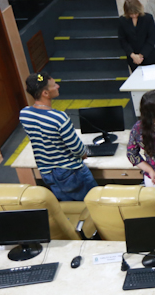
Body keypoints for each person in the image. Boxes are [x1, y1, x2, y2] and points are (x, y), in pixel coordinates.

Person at [18, 72, 97, 201]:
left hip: (47, 173)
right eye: (54, 85)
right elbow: (77, 149)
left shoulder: (24, 114)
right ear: (45, 93)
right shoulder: (59, 118)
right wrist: (84, 153)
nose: (58, 86)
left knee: (67, 207)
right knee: (93, 202)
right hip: (71, 173)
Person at [117, 0, 155, 74]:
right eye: (131, 14)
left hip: (149, 56)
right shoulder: (122, 21)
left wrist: (141, 56)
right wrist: (133, 55)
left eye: (135, 13)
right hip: (133, 59)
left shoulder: (148, 18)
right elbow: (122, 40)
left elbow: (151, 39)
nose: (134, 15)